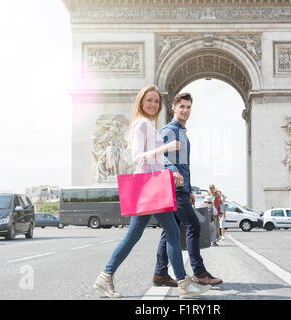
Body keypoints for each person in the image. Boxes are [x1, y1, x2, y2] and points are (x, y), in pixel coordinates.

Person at [94, 85, 211, 299]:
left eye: (157, 101)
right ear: (141, 101)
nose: (153, 104)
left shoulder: (149, 125)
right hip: (149, 186)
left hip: (156, 185)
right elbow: (137, 158)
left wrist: (169, 171)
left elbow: (155, 162)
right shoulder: (141, 124)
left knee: (157, 234)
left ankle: (106, 276)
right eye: (149, 100)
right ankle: (183, 284)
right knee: (149, 235)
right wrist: (164, 148)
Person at [153, 92, 223, 287]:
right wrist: (174, 171)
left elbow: (185, 164)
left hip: (180, 188)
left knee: (169, 231)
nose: (185, 110)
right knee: (193, 224)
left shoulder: (182, 133)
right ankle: (199, 272)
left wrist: (190, 189)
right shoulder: (169, 130)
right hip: (173, 187)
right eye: (181, 106)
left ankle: (160, 273)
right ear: (173, 108)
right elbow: (158, 156)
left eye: (188, 107)